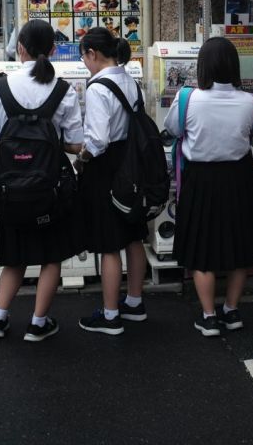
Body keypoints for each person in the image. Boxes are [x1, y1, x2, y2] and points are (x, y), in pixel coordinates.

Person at [163, 37, 253, 336]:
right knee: (240, 246)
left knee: (201, 248)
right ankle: (232, 310)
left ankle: (209, 315)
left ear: (203, 66)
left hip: (200, 179)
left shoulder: (187, 98)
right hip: (239, 179)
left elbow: (173, 129)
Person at [0, 20, 83, 341]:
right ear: (53, 50)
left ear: (20, 48)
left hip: (11, 190)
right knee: (50, 257)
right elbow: (76, 144)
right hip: (49, 191)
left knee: (14, 258)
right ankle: (38, 324)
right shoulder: (63, 90)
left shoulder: (1, 86)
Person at [73, 27, 148, 335]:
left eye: (84, 57)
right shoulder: (130, 81)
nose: (85, 64)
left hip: (107, 169)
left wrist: (82, 158)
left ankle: (110, 315)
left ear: (93, 54)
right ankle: (134, 302)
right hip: (132, 165)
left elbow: (98, 139)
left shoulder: (97, 87)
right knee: (133, 235)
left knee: (109, 244)